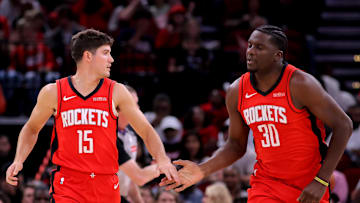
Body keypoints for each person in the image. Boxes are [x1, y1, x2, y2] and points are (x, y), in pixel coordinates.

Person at [160, 25, 353, 203]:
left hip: (307, 183)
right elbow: (235, 145)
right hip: (266, 183)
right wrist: (202, 169)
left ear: (277, 56)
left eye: (259, 47)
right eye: (250, 45)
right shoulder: (237, 90)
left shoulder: (300, 84)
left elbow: (344, 125)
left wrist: (322, 179)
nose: (250, 51)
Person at [6, 28, 179, 203]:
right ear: (88, 56)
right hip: (68, 185)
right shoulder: (54, 92)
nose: (111, 59)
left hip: (105, 185)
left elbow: (147, 131)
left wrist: (162, 159)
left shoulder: (116, 91)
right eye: (105, 53)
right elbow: (32, 128)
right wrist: (18, 160)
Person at [117, 85, 160, 203]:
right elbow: (139, 176)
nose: (138, 108)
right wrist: (162, 166)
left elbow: (129, 179)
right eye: (133, 104)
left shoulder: (130, 135)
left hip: (120, 196)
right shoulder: (108, 134)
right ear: (119, 107)